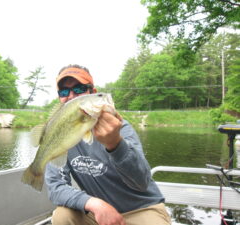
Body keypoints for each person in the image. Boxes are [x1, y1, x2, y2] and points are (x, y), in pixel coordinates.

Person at [45, 64, 171, 225]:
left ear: (93, 92)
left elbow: (142, 181)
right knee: (62, 216)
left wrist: (115, 144)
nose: (71, 96)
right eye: (64, 91)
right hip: (97, 212)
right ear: (60, 98)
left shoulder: (121, 128)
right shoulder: (60, 136)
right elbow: (56, 188)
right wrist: (94, 204)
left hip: (141, 208)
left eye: (79, 89)